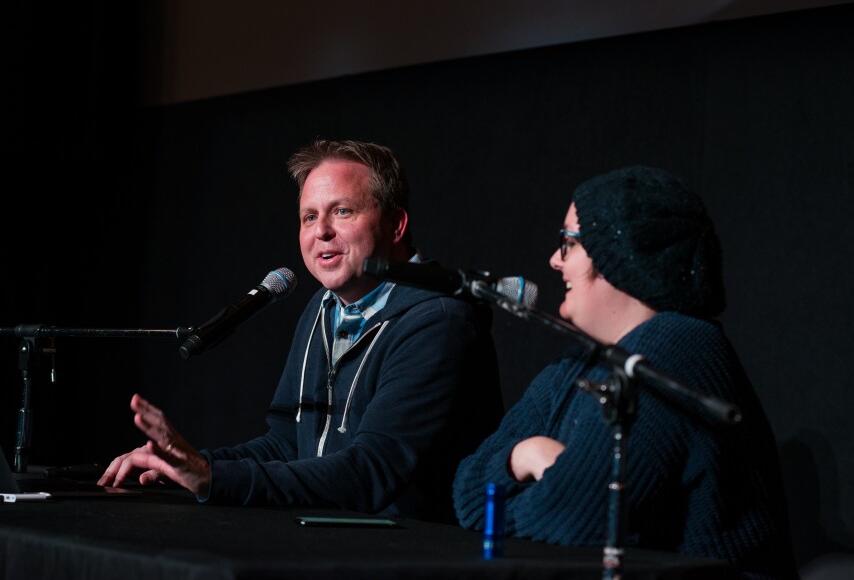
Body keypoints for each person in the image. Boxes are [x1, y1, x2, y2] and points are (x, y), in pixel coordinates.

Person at [99, 139, 503, 523]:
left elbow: (370, 472)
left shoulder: (439, 321)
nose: (321, 231)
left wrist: (212, 477)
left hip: (418, 557)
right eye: (309, 216)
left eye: (342, 211)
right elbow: (288, 443)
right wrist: (183, 465)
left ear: (396, 225)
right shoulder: (322, 309)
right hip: (332, 541)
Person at [452, 166, 798, 579]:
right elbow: (468, 491)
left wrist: (530, 492)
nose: (553, 260)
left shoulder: (678, 346)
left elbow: (576, 518)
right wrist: (526, 454)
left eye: (569, 243)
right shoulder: (576, 363)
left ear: (623, 255)